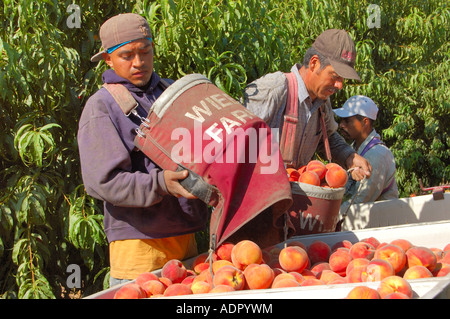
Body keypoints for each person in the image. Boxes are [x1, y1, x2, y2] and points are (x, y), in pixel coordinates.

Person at [77, 13, 209, 287]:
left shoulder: (172, 91)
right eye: (127, 55)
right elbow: (103, 182)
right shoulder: (102, 107)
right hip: (138, 243)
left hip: (185, 236)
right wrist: (161, 183)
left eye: (145, 52)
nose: (139, 63)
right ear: (108, 59)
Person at [243, 29, 372, 181]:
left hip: (288, 198)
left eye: (343, 79)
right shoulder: (274, 89)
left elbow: (328, 137)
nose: (339, 85)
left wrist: (349, 156)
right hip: (256, 194)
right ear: (314, 63)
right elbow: (235, 139)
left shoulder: (322, 103)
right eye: (335, 76)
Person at [333, 95, 399, 207]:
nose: (341, 125)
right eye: (341, 120)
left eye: (347, 121)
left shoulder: (377, 154)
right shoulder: (354, 149)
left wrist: (331, 215)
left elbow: (360, 200)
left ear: (365, 122)